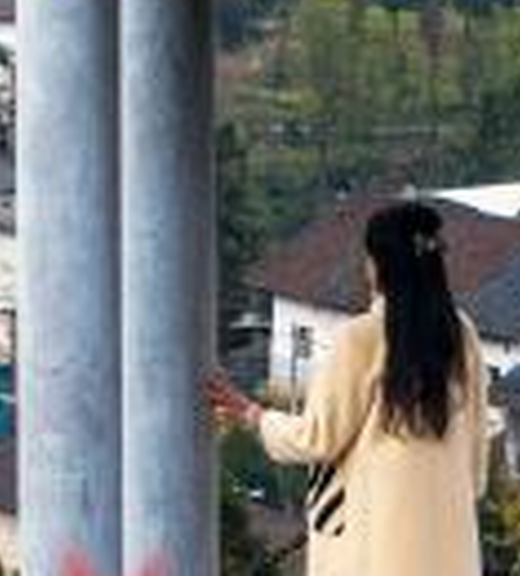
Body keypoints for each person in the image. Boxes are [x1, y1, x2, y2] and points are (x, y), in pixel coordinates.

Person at [203, 201, 488, 575]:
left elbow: (316, 438)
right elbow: (476, 461)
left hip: (374, 548)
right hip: (448, 548)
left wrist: (252, 414)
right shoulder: (463, 335)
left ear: (378, 265)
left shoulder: (359, 339)